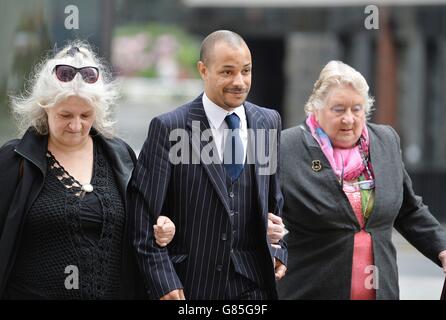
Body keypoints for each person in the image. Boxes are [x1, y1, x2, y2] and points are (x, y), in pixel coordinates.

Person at [0, 42, 175, 299]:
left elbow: (145, 222)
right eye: (65, 115)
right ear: (45, 107)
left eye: (86, 115)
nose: (76, 125)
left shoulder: (121, 157)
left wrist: (163, 226)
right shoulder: (14, 160)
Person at [131, 30, 287, 300]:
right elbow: (141, 217)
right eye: (227, 72)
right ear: (203, 70)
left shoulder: (268, 122)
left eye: (246, 71)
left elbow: (275, 206)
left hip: (255, 287)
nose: (239, 82)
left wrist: (278, 250)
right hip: (190, 287)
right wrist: (164, 281)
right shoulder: (170, 127)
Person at [276, 60, 446, 300]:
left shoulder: (386, 141)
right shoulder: (286, 147)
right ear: (316, 108)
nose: (349, 119)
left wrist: (441, 248)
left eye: (356, 109)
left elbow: (409, 211)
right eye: (338, 109)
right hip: (309, 290)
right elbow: (259, 210)